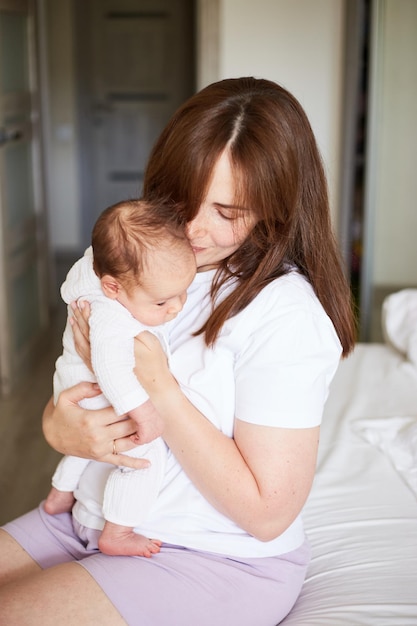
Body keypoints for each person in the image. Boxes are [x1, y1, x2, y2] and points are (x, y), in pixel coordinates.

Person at [0, 77, 356, 626]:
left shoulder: (285, 313)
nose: (193, 228)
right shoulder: (135, 260)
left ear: (273, 207)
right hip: (87, 516)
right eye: (182, 198)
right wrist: (56, 429)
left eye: (227, 211)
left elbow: (267, 513)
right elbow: (76, 386)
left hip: (207, 554)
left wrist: (159, 385)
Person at [45, 198, 196, 558]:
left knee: (88, 442)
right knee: (143, 454)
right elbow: (113, 371)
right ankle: (118, 530)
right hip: (98, 387)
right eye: (161, 303)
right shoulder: (112, 319)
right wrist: (146, 415)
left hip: (71, 385)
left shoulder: (93, 268)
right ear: (112, 288)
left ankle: (59, 494)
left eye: (182, 293)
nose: (176, 307)